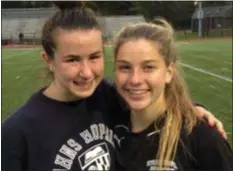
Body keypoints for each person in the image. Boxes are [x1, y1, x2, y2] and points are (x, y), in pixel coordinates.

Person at [1, 3, 228, 171]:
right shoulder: (17, 133)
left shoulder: (109, 98)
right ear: (48, 60)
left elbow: (151, 99)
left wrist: (192, 110)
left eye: (95, 56)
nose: (87, 72)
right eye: (72, 60)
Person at [113, 18, 233, 171]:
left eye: (148, 67)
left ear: (169, 72)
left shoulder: (201, 137)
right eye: (125, 67)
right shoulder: (107, 120)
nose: (135, 79)